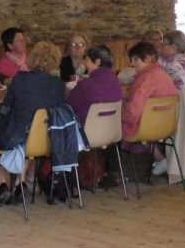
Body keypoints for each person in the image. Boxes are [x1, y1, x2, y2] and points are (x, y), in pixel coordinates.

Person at [0, 41, 65, 206]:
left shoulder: (20, 79)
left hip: (19, 135)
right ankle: (20, 184)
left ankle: (2, 184)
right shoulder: (59, 85)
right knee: (28, 139)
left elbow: (7, 106)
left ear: (33, 58)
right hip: (46, 140)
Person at [121, 42, 179, 176]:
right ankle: (159, 159)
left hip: (146, 128)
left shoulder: (145, 79)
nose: (132, 64)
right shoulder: (164, 75)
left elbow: (132, 113)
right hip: (167, 126)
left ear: (147, 58)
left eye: (135, 59)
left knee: (111, 122)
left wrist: (120, 106)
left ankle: (118, 171)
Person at [66, 44, 124, 125]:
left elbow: (68, 106)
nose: (85, 64)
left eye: (87, 60)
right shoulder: (116, 82)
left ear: (97, 62)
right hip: (112, 129)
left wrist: (68, 92)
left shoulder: (86, 85)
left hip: (86, 130)